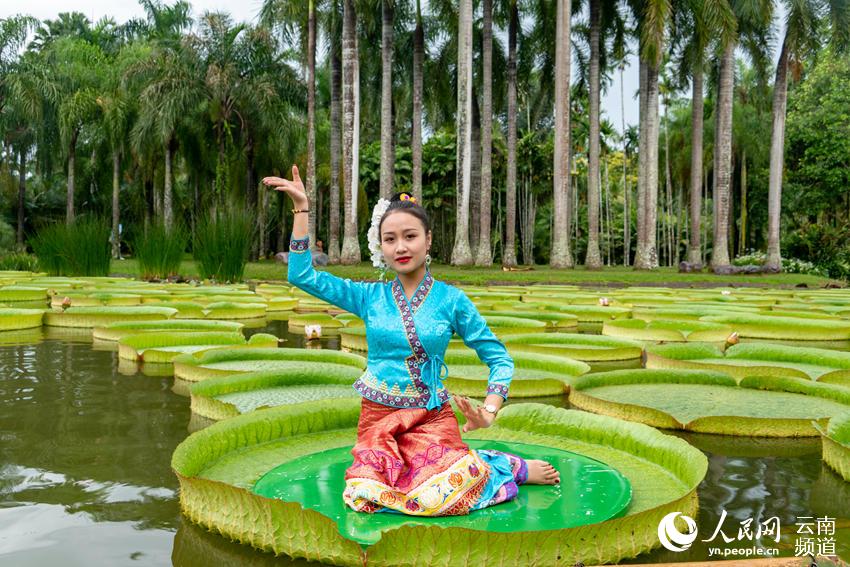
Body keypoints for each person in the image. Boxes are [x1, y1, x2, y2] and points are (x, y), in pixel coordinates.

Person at [262, 166, 559, 516]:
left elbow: (499, 359)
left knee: (441, 493)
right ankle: (481, 464)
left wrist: (489, 411)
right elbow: (301, 274)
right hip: (379, 419)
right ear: (382, 247)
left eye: (409, 236)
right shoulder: (368, 297)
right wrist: (302, 209)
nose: (400, 247)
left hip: (432, 418)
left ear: (428, 240)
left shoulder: (452, 301)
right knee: (366, 496)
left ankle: (507, 467)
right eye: (390, 239)